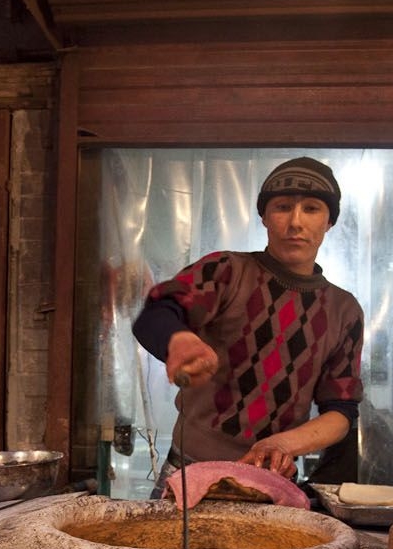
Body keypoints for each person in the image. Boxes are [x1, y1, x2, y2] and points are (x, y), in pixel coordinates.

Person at [132, 156, 365, 483]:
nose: (295, 222)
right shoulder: (226, 271)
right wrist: (179, 340)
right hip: (190, 469)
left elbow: (341, 411)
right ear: (264, 217)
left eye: (311, 209)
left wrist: (282, 443)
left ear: (329, 222)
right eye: (282, 207)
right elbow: (156, 313)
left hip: (273, 479)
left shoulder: (344, 310)